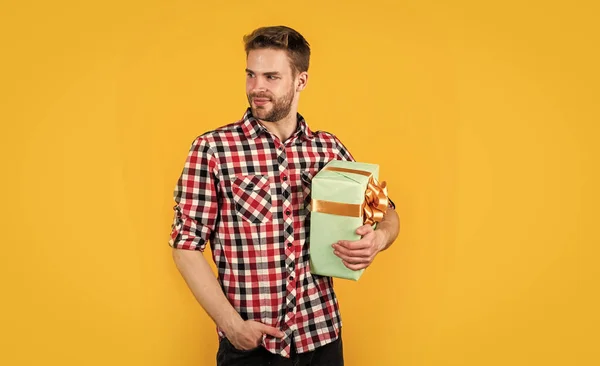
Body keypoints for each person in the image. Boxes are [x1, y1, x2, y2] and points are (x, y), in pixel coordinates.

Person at [168, 25, 400, 366]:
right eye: (251, 75)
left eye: (271, 77)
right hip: (252, 346)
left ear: (300, 81)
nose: (256, 87)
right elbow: (185, 247)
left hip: (322, 338)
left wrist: (378, 239)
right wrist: (232, 327)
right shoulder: (213, 149)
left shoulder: (328, 149)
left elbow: (387, 211)